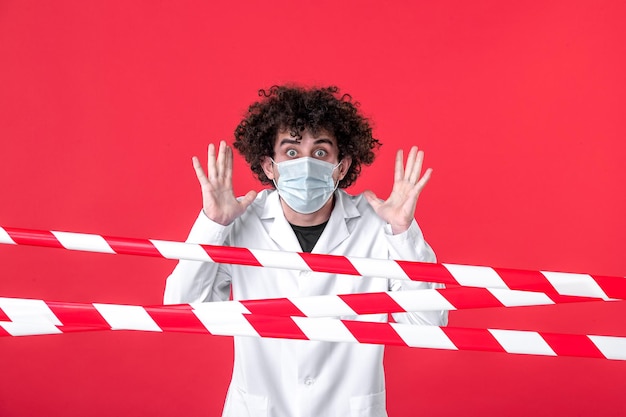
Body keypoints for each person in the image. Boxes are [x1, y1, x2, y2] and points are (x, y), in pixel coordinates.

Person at [164, 85, 447, 417]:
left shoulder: (377, 225)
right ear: (270, 166)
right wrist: (213, 224)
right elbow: (181, 309)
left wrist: (404, 233)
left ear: (341, 168)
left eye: (321, 152)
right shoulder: (242, 223)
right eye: (292, 152)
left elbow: (428, 326)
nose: (308, 164)